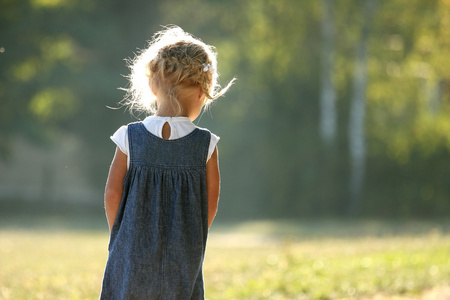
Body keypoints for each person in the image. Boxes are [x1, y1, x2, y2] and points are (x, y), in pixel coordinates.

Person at [100, 26, 235, 299]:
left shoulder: (129, 136)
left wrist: (123, 237)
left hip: (130, 250)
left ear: (152, 85)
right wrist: (189, 237)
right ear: (203, 92)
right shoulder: (206, 144)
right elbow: (210, 203)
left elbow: (112, 193)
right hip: (183, 253)